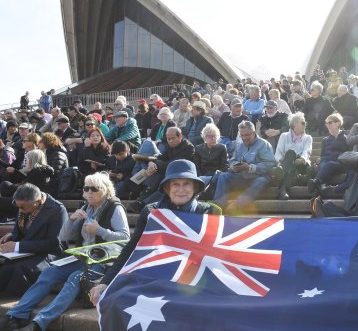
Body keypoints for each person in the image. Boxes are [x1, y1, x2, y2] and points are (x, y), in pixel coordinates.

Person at [0, 173, 130, 331]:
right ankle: (16, 314)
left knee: (75, 278)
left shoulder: (114, 208)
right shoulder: (85, 207)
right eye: (86, 188)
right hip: (80, 257)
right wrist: (71, 220)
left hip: (102, 261)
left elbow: (125, 239)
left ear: (105, 190)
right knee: (49, 273)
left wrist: (100, 230)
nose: (89, 192)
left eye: (94, 189)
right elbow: (63, 237)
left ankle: (38, 323)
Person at [89, 159, 219, 306]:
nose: (181, 189)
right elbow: (132, 249)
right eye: (175, 184)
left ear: (195, 188)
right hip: (156, 279)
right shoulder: (151, 212)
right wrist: (105, 282)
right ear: (167, 188)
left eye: (187, 184)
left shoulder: (210, 212)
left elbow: (217, 257)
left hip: (194, 282)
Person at [0, 184, 68, 298]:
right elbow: (23, 232)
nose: (20, 210)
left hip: (49, 254)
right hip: (27, 249)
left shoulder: (57, 210)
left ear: (38, 201)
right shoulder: (24, 206)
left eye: (22, 207)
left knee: (19, 268)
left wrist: (17, 246)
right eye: (17, 206)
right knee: (3, 263)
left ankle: (14, 299)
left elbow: (54, 243)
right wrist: (12, 236)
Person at [213, 121, 276, 210]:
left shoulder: (264, 144)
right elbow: (232, 160)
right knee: (223, 176)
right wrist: (234, 166)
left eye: (247, 135)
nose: (244, 138)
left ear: (254, 133)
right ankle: (218, 205)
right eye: (242, 135)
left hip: (257, 178)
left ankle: (237, 205)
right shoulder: (240, 146)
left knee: (262, 180)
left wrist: (249, 167)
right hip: (241, 177)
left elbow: (269, 164)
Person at [307, 113, 350, 196]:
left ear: (338, 123)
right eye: (327, 124)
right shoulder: (325, 140)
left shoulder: (346, 138)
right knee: (323, 164)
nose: (328, 125)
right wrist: (319, 160)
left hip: (340, 163)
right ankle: (322, 186)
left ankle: (316, 181)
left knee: (328, 164)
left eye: (330, 123)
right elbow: (322, 155)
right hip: (326, 162)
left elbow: (349, 154)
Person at [274, 113, 313, 200]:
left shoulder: (308, 138)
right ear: (294, 124)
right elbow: (278, 152)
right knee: (290, 153)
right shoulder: (284, 136)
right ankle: (283, 189)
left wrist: (302, 159)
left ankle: (282, 181)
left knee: (290, 154)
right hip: (289, 164)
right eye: (302, 122)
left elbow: (307, 150)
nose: (305, 124)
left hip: (301, 165)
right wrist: (282, 161)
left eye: (305, 122)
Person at [39, 132, 68, 197]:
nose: (38, 143)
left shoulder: (58, 154)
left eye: (41, 141)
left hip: (56, 187)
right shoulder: (50, 153)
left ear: (47, 142)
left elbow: (54, 173)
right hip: (52, 185)